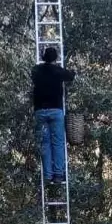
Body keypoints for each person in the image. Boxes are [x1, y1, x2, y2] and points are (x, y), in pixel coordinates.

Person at [31, 46, 75, 183]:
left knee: (45, 143)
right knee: (57, 143)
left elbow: (33, 75)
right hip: (55, 111)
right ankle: (58, 175)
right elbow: (71, 76)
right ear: (55, 58)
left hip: (40, 112)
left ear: (43, 57)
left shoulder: (36, 70)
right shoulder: (58, 71)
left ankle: (48, 175)